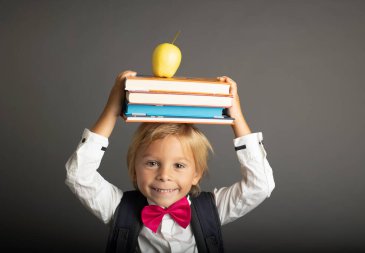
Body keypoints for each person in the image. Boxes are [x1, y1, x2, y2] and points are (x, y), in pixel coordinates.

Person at [65, 70, 275, 252]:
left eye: (179, 165)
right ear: (134, 169)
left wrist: (236, 118)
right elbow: (79, 175)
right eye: (152, 163)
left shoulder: (214, 208)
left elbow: (260, 186)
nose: (164, 176)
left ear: (196, 174)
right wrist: (111, 110)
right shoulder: (117, 207)